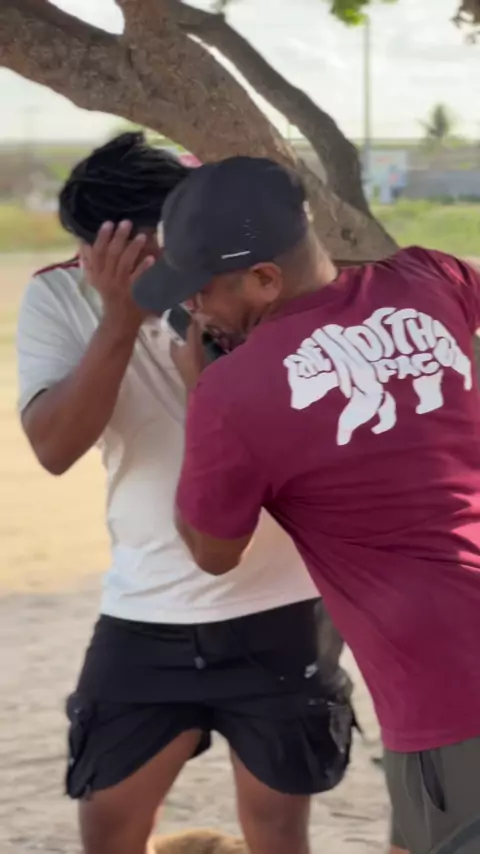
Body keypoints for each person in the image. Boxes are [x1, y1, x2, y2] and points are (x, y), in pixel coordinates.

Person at [132, 154, 480, 854]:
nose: (193, 309)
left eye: (201, 291)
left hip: (447, 689)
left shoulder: (234, 393)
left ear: (265, 278)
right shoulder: (427, 277)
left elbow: (212, 551)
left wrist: (202, 395)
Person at [16, 135, 354, 854]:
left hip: (282, 602)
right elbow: (54, 448)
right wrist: (119, 316)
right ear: (90, 252)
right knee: (108, 825)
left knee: (277, 829)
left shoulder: (251, 276)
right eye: (127, 258)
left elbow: (312, 434)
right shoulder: (60, 295)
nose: (168, 274)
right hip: (146, 607)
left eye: (169, 252)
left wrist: (216, 380)